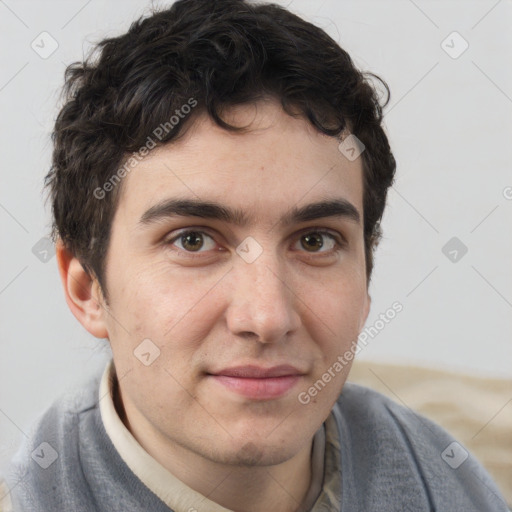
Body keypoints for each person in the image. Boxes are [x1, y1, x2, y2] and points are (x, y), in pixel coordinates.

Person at [2, 0, 509, 510]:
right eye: (193, 240)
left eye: (315, 241)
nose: (267, 317)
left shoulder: (459, 487)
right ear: (86, 288)